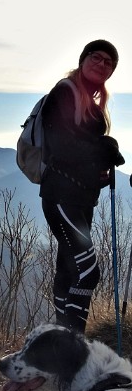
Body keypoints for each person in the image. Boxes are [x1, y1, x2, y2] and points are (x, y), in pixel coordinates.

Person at [42, 39, 121, 332]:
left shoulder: (90, 99)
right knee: (88, 271)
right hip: (61, 196)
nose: (102, 64)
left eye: (109, 63)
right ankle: (72, 344)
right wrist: (100, 151)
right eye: (96, 57)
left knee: (69, 268)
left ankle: (60, 338)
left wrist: (102, 170)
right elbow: (60, 146)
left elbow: (82, 150)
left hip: (81, 197)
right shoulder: (66, 92)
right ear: (83, 59)